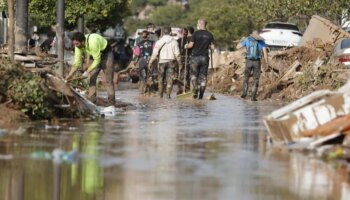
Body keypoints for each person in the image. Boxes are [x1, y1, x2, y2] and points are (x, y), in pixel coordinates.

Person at [66, 32, 115, 106]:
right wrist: (70, 74)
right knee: (91, 78)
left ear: (82, 41)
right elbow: (76, 63)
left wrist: (87, 71)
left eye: (77, 44)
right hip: (94, 55)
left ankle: (112, 104)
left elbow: (97, 60)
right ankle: (92, 102)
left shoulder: (93, 43)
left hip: (106, 54)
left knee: (108, 80)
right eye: (74, 44)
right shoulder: (77, 46)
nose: (76, 46)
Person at [148, 26, 182, 99]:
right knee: (170, 79)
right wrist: (180, 63)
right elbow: (177, 54)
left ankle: (160, 96)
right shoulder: (174, 42)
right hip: (171, 62)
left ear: (163, 32)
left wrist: (150, 62)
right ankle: (168, 96)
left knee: (160, 79)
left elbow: (154, 54)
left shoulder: (159, 42)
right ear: (170, 32)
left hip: (162, 63)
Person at [185, 19, 214, 99]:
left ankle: (195, 88)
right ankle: (201, 96)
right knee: (203, 77)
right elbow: (212, 47)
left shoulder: (195, 34)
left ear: (199, 24)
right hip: (205, 58)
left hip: (195, 57)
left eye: (197, 23)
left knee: (193, 75)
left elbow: (191, 45)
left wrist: (186, 46)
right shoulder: (210, 35)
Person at [236, 31, 268, 101]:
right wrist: (266, 62)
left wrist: (242, 41)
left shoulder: (247, 40)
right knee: (256, 79)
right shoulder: (261, 42)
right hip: (257, 62)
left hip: (248, 61)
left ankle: (244, 93)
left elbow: (237, 47)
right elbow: (265, 53)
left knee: (246, 78)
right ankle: (253, 97)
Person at [134, 30, 154, 95]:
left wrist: (135, 62)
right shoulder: (153, 43)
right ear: (148, 35)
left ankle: (143, 90)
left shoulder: (139, 44)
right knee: (150, 75)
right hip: (150, 61)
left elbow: (137, 54)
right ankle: (149, 91)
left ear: (142, 36)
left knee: (143, 76)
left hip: (142, 61)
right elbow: (155, 52)